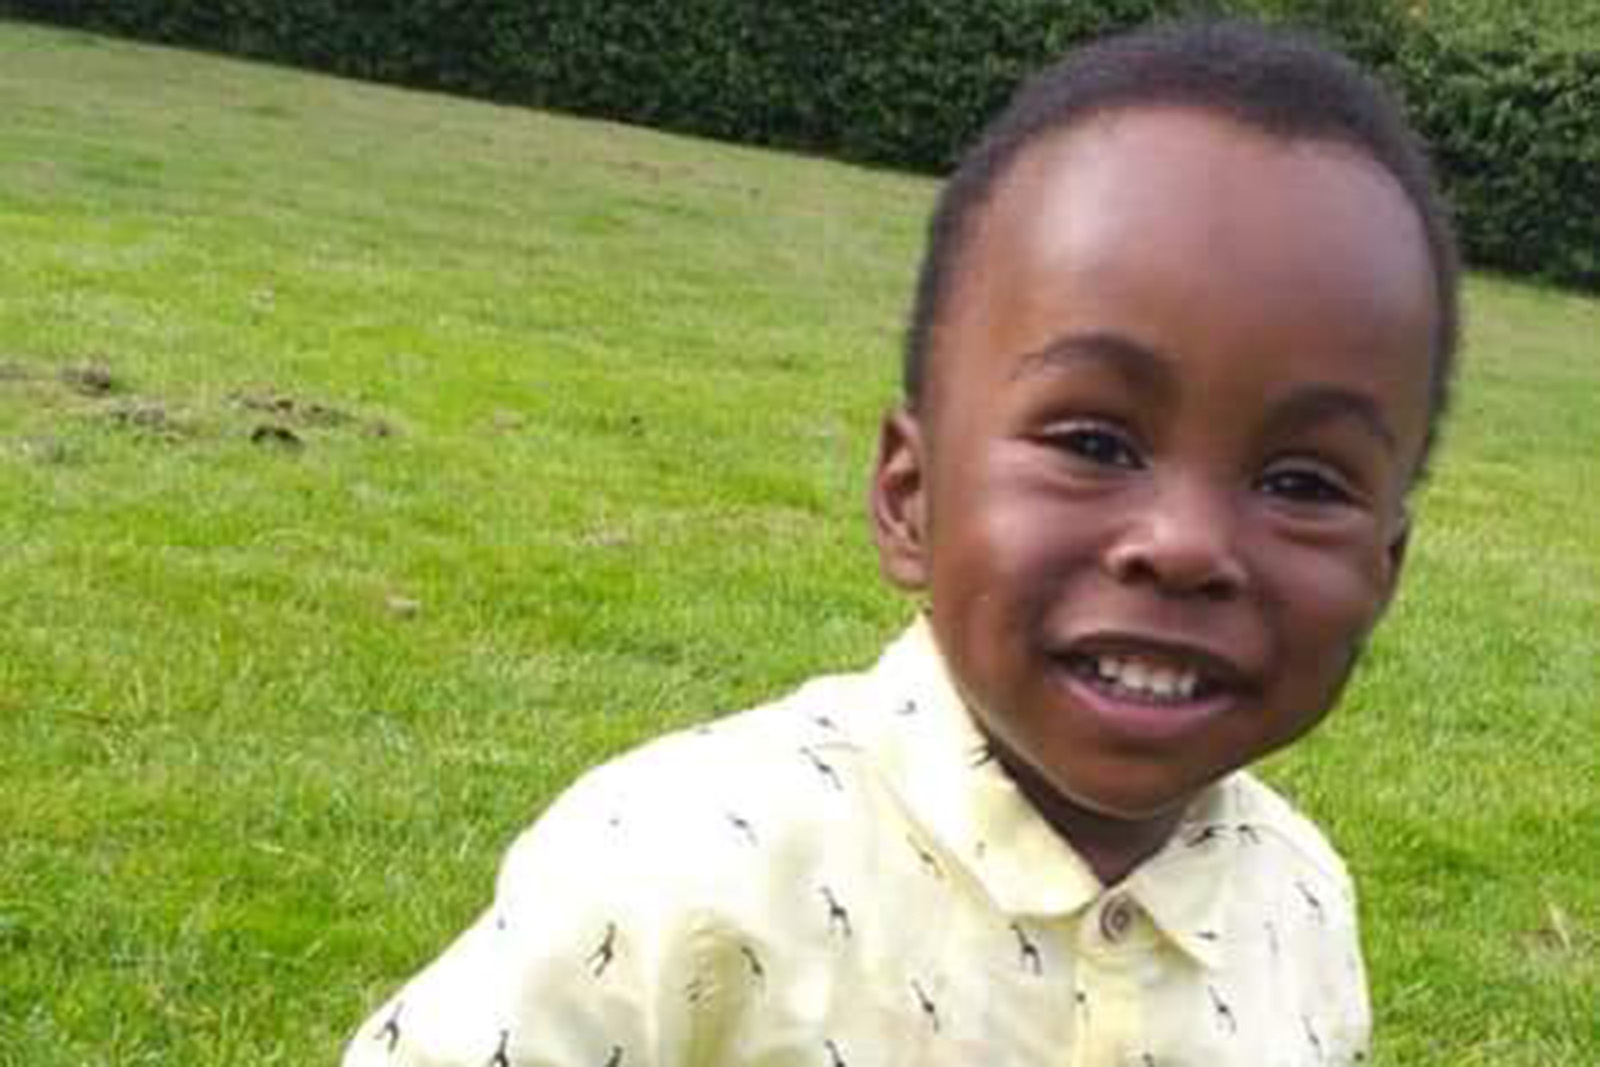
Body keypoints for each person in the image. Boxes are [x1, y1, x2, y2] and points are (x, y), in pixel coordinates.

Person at [344, 17, 1458, 1066]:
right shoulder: (679, 865)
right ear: (908, 496)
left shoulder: (1303, 902)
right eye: (1094, 439)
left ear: (1385, 570)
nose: (1182, 544)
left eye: (1301, 479)